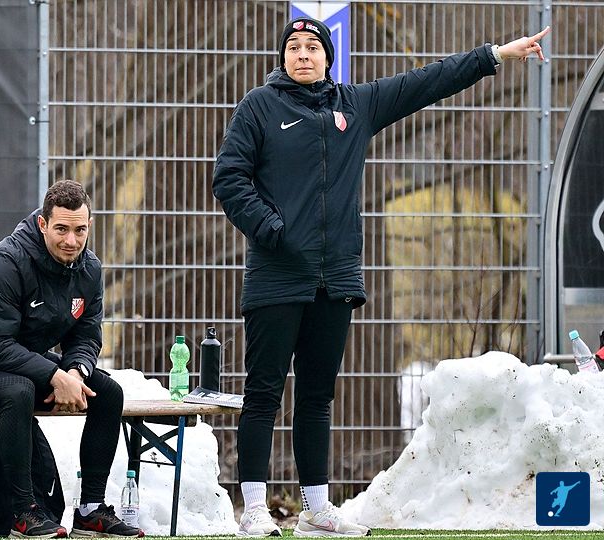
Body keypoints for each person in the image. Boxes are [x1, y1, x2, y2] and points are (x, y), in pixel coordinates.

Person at [213, 18, 551, 538]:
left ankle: (316, 509)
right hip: (276, 276)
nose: (302, 55)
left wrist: (496, 55)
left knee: (317, 397)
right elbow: (229, 177)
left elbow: (426, 81)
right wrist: (271, 229)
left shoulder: (356, 105)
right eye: (293, 47)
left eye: (312, 47)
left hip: (336, 278)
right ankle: (254, 508)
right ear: (282, 58)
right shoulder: (259, 106)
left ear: (328, 57)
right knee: (264, 393)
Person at [0, 180, 143, 539]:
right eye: (61, 229)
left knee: (107, 392)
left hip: (18, 357)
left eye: (80, 230)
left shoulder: (90, 269)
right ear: (43, 224)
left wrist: (75, 372)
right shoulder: (2, 263)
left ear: (89, 226)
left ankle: (90, 510)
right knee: (19, 389)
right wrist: (55, 377)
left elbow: (86, 337)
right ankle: (24, 512)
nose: (71, 240)